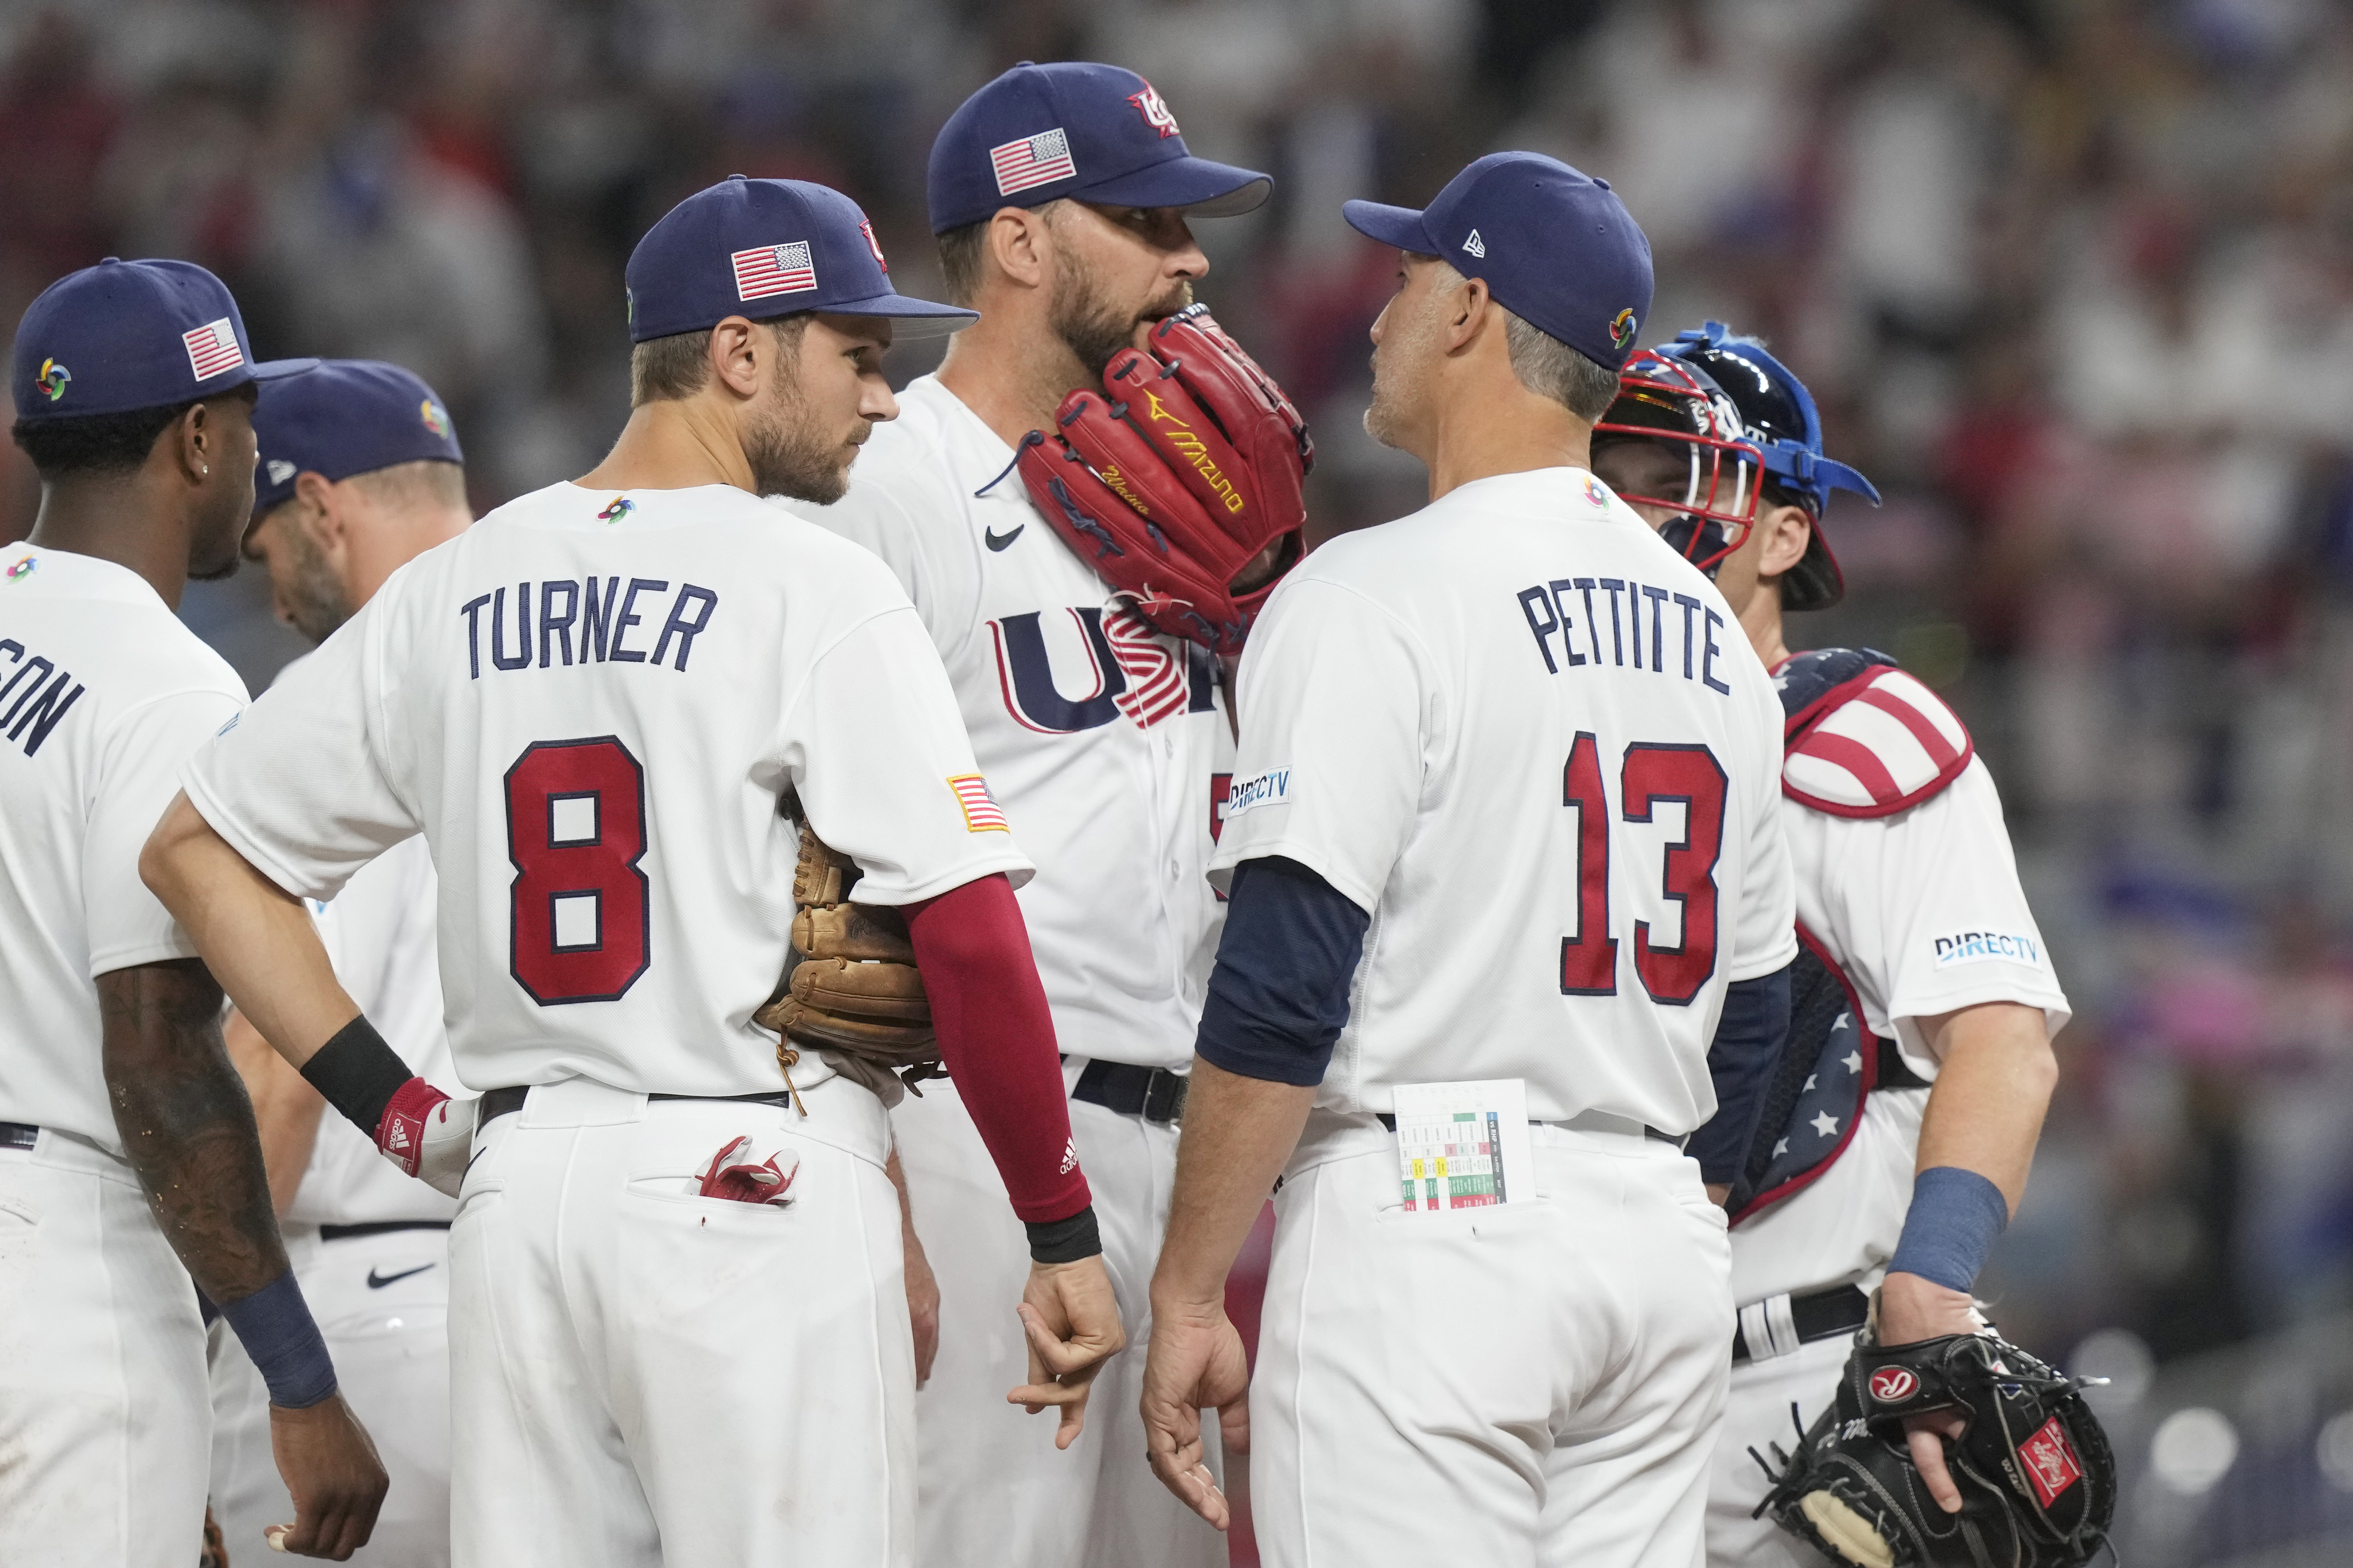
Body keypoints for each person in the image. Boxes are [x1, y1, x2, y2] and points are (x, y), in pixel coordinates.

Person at [139, 175, 1124, 1566]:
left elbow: (197, 851)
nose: (887, 399)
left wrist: (401, 1109)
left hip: (520, 1197)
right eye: (855, 355)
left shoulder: (457, 588)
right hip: (750, 1178)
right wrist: (1061, 1227)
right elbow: (967, 935)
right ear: (738, 353)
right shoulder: (812, 583)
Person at [1137, 153, 1800, 1567]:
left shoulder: (1376, 592)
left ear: (1469, 314)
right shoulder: (1719, 647)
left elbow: (1281, 984)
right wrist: (1656, 1205)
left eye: (1404, 280)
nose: (1376, 316)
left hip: (1436, 1219)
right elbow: (1755, 1019)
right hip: (1654, 1242)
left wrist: (1191, 1294)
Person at [780, 60, 1272, 1568]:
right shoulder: (891, 484)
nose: (1190, 260)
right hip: (978, 1132)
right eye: (1143, 220)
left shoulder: (1187, 494)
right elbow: (795, 868)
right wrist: (881, 1202)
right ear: (1021, 243)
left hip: (1170, 1144)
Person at [1586, 324, 2068, 1567]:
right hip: (1571, 1364)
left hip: (1788, 1385)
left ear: (1785, 531)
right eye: (1610, 469)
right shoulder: (1544, 733)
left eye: (1666, 472)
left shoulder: (1860, 732)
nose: (1633, 506)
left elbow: (2004, 1042)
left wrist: (1929, 1296)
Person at [0, 258, 386, 1563]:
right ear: (201, 436)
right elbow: (162, 1058)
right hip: (62, 1265)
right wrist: (295, 1382)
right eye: (247, 421)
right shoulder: (164, 684)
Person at [205, 358, 473, 1566]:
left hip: (362, 1324)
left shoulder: (345, 701)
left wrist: (210, 1338)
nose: (276, 598)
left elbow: (279, 1064)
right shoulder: (561, 660)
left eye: (268, 552)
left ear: (320, 507)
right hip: (541, 1284)